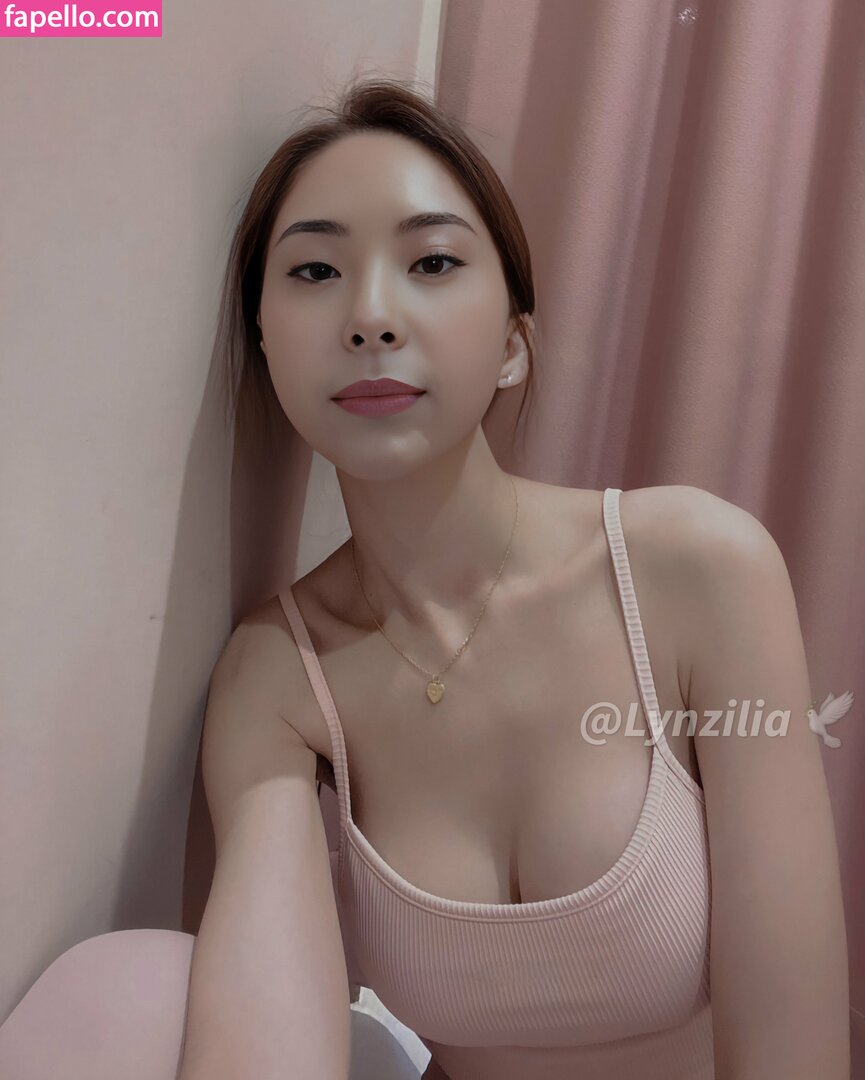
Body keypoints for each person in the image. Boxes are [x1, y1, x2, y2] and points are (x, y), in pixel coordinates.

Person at [180, 75, 851, 1080]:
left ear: (510, 345)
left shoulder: (696, 570)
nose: (369, 316)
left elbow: (792, 1053)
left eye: (432, 262)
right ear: (265, 341)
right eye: (315, 271)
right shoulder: (275, 675)